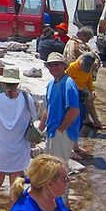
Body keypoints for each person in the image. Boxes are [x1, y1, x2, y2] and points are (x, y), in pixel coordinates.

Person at [0, 66, 37, 211]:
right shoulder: (27, 98)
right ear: (17, 84)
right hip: (20, 146)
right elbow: (34, 117)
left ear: (4, 84)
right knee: (16, 183)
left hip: (1, 146)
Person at [39, 52, 80, 197]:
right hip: (52, 131)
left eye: (57, 64)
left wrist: (61, 129)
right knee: (51, 167)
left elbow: (74, 110)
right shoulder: (51, 84)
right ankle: (54, 198)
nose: (54, 67)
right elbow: (48, 108)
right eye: (51, 65)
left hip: (63, 133)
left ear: (64, 66)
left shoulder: (68, 83)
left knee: (60, 168)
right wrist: (40, 129)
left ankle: (62, 201)